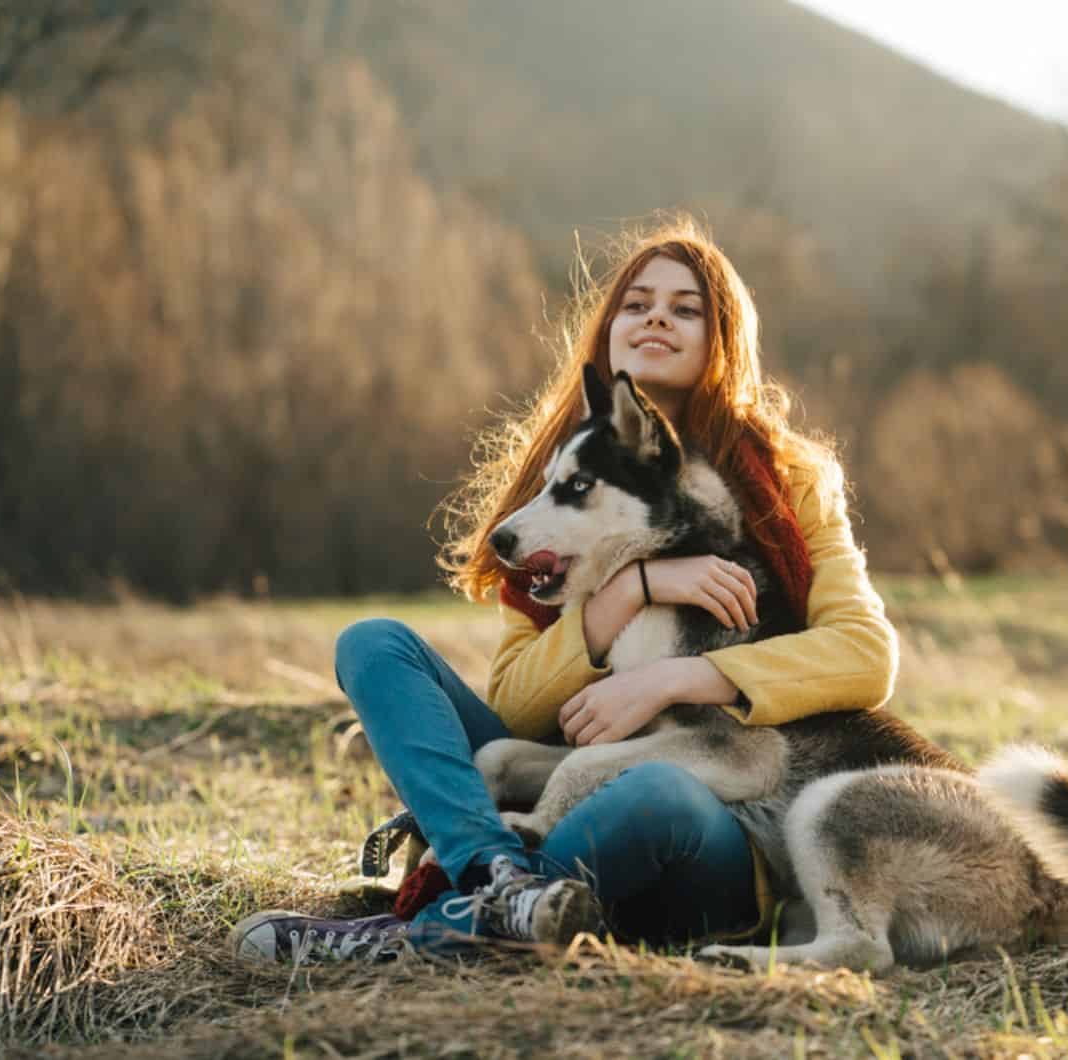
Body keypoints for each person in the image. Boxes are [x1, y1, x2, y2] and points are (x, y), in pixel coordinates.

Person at [231, 215, 898, 965]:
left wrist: (676, 679)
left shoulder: (793, 481)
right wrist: (630, 591)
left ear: (722, 341)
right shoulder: (553, 490)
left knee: (656, 791)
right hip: (555, 799)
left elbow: (865, 657)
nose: (656, 317)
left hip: (703, 822)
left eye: (686, 308)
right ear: (607, 328)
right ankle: (500, 883)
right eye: (637, 302)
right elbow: (516, 705)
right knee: (374, 644)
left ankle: (425, 932)